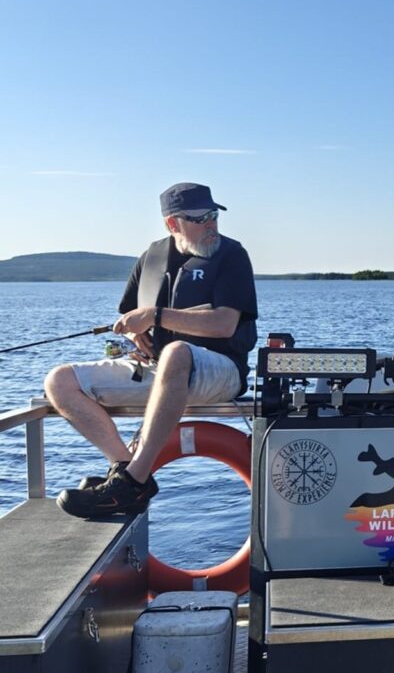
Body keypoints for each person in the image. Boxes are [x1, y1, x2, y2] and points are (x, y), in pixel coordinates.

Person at [45, 182, 259, 519]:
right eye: (199, 218)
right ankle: (125, 472)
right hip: (159, 370)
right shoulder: (151, 256)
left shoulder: (232, 255)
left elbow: (225, 324)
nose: (211, 224)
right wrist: (136, 335)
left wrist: (155, 316)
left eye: (214, 215)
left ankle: (133, 479)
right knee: (59, 381)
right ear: (173, 223)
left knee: (176, 352)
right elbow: (131, 315)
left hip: (221, 371)